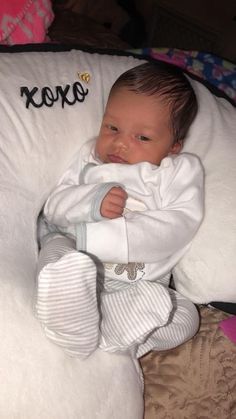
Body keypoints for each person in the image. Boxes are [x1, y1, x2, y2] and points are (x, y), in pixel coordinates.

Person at [35, 61, 204, 359]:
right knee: (55, 251)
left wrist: (115, 237)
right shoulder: (91, 159)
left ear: (173, 147)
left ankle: (110, 328)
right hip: (76, 250)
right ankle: (71, 318)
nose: (121, 144)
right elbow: (53, 207)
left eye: (142, 137)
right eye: (112, 127)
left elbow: (181, 223)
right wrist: (91, 201)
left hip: (137, 279)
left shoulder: (176, 171)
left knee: (185, 317)